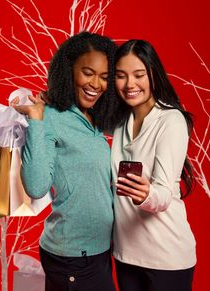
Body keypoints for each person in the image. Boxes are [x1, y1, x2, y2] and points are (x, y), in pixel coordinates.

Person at [12, 31, 118, 291]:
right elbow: (36, 187)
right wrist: (36, 121)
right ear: (69, 70)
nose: (96, 84)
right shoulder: (51, 117)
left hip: (99, 251)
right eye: (88, 72)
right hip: (73, 256)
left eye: (104, 77)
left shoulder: (93, 118)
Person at [111, 39, 196, 291]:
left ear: (153, 74)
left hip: (167, 257)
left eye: (139, 75)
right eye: (121, 76)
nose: (130, 85)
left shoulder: (170, 120)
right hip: (126, 254)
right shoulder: (119, 122)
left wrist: (146, 194)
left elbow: (164, 193)